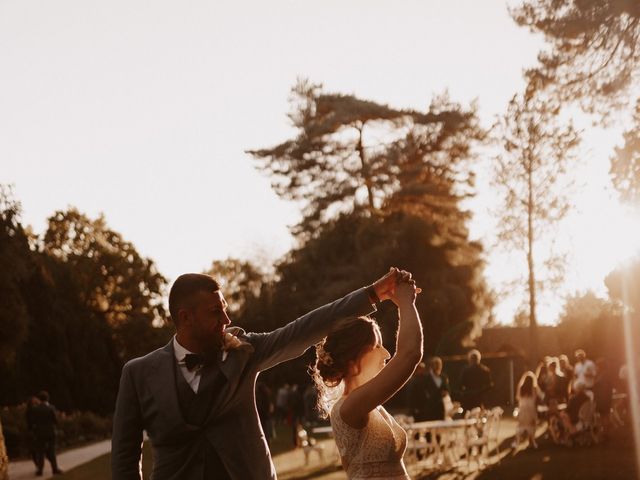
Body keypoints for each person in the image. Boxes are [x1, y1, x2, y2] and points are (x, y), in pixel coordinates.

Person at [112, 267, 410, 480]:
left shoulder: (244, 351)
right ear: (185, 318)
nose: (227, 320)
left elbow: (302, 330)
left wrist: (371, 295)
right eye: (216, 312)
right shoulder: (137, 374)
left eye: (225, 309)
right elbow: (124, 459)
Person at [310, 279, 422, 479]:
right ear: (353, 361)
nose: (386, 353)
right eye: (377, 346)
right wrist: (406, 303)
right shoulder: (350, 406)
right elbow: (410, 354)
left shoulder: (368, 404)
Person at [408, 357, 450, 421]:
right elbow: (421, 393)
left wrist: (446, 393)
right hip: (430, 409)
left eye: (439, 365)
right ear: (432, 366)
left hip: (441, 408)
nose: (438, 367)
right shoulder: (425, 378)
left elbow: (447, 390)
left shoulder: (443, 377)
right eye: (436, 365)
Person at [31, 391, 62, 476]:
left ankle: (40, 470)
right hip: (50, 432)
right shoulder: (51, 408)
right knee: (52, 451)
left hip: (40, 433)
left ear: (39, 399)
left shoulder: (35, 409)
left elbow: (33, 421)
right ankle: (54, 469)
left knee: (40, 452)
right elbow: (55, 421)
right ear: (47, 398)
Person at [512, 371, 540, 449]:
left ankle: (517, 441)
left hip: (522, 409)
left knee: (521, 426)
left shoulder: (521, 388)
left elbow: (517, 398)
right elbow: (536, 398)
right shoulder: (534, 388)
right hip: (531, 409)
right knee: (532, 425)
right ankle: (532, 441)